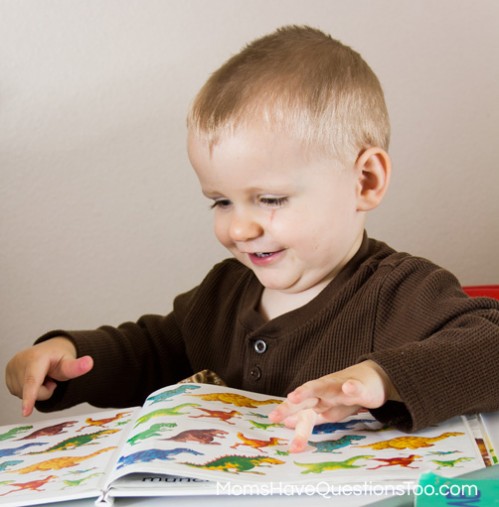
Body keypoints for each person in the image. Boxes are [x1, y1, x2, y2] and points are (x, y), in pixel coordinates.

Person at [6, 25, 499, 453]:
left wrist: (381, 378)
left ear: (364, 181)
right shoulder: (224, 291)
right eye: (220, 201)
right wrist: (67, 355)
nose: (238, 229)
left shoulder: (402, 293)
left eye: (269, 199)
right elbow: (156, 349)